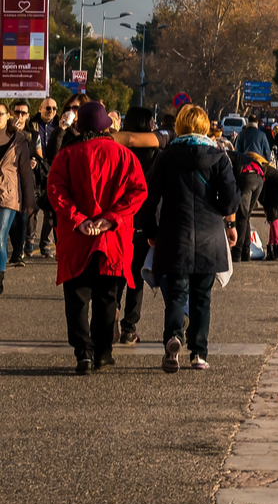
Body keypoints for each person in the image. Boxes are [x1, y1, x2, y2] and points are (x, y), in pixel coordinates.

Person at [46, 101, 147, 374]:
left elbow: (55, 190)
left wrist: (78, 220)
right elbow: (138, 191)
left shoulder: (67, 155)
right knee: (107, 297)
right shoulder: (124, 155)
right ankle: (103, 352)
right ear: (106, 125)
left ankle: (84, 354)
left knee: (77, 298)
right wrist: (111, 218)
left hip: (77, 237)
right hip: (112, 238)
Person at [145, 104, 238, 372]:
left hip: (175, 233)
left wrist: (151, 231)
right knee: (201, 297)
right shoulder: (220, 157)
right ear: (206, 127)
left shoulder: (166, 157)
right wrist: (224, 219)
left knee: (176, 294)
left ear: (180, 126)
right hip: (209, 235)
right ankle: (199, 353)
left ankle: (173, 337)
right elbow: (231, 200)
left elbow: (151, 198)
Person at [112, 107, 166, 343]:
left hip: (119, 218)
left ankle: (110, 317)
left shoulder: (116, 150)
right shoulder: (157, 152)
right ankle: (129, 327)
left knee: (116, 274)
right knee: (136, 275)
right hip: (145, 218)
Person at [0, 101, 39, 294]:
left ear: (7, 116)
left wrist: (29, 202)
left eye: (1, 114)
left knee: (0, 235)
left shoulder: (19, 140)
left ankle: (0, 274)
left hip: (9, 194)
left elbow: (25, 173)